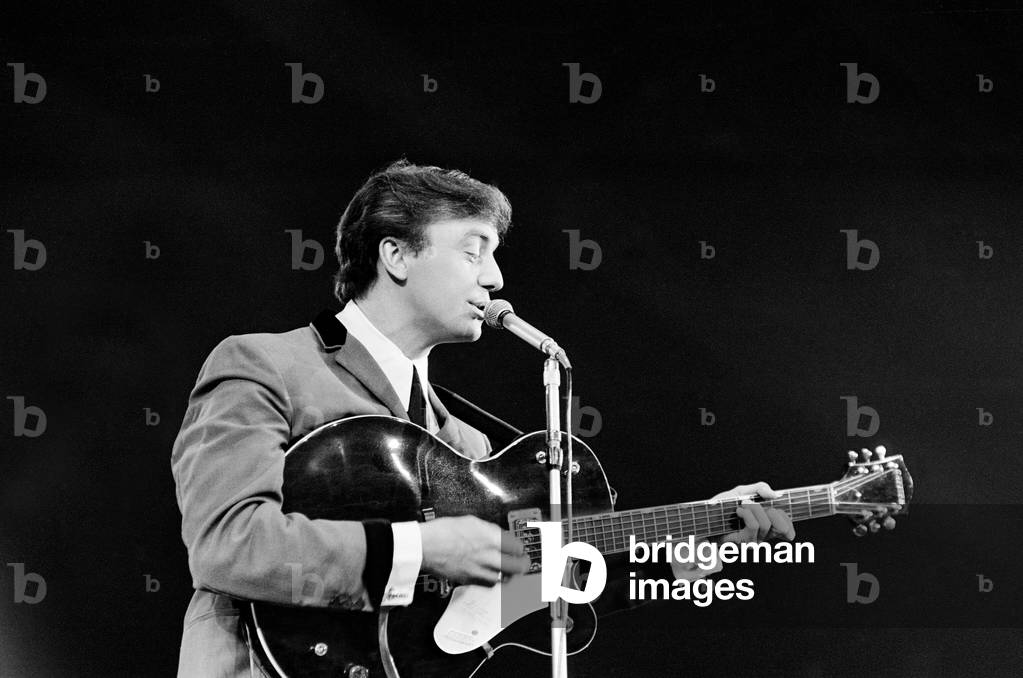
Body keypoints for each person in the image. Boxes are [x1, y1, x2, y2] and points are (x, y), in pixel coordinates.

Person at [170, 160, 794, 677]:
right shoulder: (264, 364)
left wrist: (682, 554)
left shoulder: (465, 442)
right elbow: (229, 544)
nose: (495, 278)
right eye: (474, 252)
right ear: (396, 255)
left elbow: (514, 593)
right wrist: (420, 548)